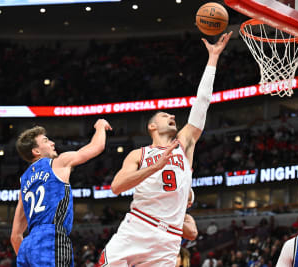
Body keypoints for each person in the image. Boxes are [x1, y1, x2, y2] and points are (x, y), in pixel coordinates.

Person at [98, 31, 233, 267]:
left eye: (171, 114)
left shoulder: (184, 144)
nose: (172, 115)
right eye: (164, 115)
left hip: (169, 238)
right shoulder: (138, 154)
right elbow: (117, 187)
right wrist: (154, 167)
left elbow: (201, 103)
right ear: (152, 126)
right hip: (138, 226)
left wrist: (213, 59)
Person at [10, 119, 112, 266]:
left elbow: (15, 236)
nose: (52, 143)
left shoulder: (23, 183)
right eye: (46, 140)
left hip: (28, 246)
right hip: (51, 238)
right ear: (36, 151)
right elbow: (97, 146)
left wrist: (32, 255)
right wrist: (100, 126)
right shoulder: (57, 163)